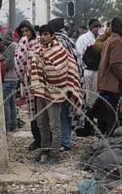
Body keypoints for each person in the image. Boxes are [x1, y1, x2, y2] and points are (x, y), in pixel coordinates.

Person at [29, 24, 82, 164]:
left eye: (46, 34)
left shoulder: (60, 51)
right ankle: (45, 148)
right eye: (41, 34)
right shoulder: (38, 50)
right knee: (41, 122)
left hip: (55, 92)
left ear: (52, 35)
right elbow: (32, 69)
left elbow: (59, 72)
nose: (43, 37)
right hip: (40, 90)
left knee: (54, 124)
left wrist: (43, 63)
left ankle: (55, 153)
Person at [96, 17, 122, 136]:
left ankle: (110, 136)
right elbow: (115, 63)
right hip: (113, 82)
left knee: (112, 111)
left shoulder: (109, 39)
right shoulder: (118, 41)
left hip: (106, 82)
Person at [14, 20, 41, 151]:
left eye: (27, 31)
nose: (25, 34)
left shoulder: (39, 42)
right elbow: (18, 63)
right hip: (29, 82)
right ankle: (37, 139)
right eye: (23, 32)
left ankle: (46, 140)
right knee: (33, 113)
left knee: (43, 111)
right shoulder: (20, 45)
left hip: (41, 82)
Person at [0, 30, 19, 132]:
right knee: (11, 103)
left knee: (6, 103)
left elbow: (8, 63)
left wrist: (0, 66)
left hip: (8, 78)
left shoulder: (12, 47)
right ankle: (13, 124)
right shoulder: (13, 46)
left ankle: (7, 126)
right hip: (13, 78)